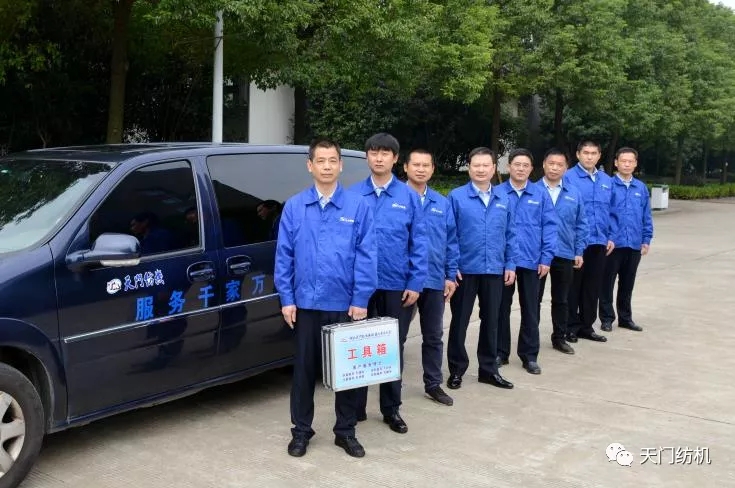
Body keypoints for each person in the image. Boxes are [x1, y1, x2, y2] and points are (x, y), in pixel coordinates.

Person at [274, 138, 377, 458]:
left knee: (347, 372)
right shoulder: (295, 206)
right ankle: (301, 431)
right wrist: (287, 299)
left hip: (345, 304)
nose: (327, 166)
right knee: (304, 372)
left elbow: (367, 256)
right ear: (310, 165)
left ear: (341, 165)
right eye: (321, 161)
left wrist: (361, 299)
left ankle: (345, 431)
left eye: (333, 160)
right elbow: (284, 257)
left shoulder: (358, 206)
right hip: (305, 304)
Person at [350, 133, 428, 434]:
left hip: (396, 284)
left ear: (396, 159)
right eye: (374, 152)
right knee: (358, 346)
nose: (379, 158)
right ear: (367, 157)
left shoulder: (408, 197)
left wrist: (416, 281)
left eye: (385, 153)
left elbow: (419, 242)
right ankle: (355, 406)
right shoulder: (353, 195)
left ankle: (391, 408)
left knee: (391, 347)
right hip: (361, 286)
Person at [446, 147, 516, 391]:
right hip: (465, 270)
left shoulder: (504, 198)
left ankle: (488, 370)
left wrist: (510, 263)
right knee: (460, 321)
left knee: (492, 321)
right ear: (469, 168)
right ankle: (456, 370)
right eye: (476, 165)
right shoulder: (456, 197)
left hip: (494, 269)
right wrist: (451, 266)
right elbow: (449, 235)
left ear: (494, 168)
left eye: (486, 165)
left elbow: (511, 233)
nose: (481, 169)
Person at [403, 148, 459, 406]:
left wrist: (450, 275)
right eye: (416, 164)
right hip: (403, 281)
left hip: (434, 278)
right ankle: (391, 386)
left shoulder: (441, 203)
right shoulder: (397, 198)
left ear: (433, 169)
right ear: (406, 167)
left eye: (426, 165)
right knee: (397, 336)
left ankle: (433, 384)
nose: (421, 169)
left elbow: (451, 242)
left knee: (434, 335)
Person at [496, 149, 557, 375]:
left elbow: (550, 227)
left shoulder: (540, 195)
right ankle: (500, 352)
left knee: (531, 309)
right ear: (509, 167)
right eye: (517, 164)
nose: (521, 169)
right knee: (500, 308)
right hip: (504, 262)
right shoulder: (497, 193)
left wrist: (546, 258)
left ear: (531, 169)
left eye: (525, 165)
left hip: (533, 261)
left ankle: (529, 355)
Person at [536, 148, 588, 355]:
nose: (555, 168)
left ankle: (559, 337)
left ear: (566, 168)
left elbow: (581, 224)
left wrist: (579, 250)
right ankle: (530, 339)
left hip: (565, 252)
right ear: (544, 165)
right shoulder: (532, 190)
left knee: (561, 299)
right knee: (533, 300)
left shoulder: (574, 193)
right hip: (538, 255)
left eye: (560, 165)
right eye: (551, 163)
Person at [563, 141, 614, 343]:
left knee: (593, 287)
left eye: (594, 153)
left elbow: (612, 211)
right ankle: (570, 327)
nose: (589, 156)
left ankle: (586, 326)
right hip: (576, 243)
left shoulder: (606, 180)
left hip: (599, 242)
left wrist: (611, 236)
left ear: (599, 155)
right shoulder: (568, 177)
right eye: (585, 152)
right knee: (573, 287)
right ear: (578, 154)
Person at [599, 147, 653, 332]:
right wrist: (607, 237)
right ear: (616, 163)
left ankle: (625, 318)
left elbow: (646, 215)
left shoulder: (641, 188)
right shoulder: (608, 185)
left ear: (636, 164)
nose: (627, 164)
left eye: (631, 161)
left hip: (634, 243)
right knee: (607, 283)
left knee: (627, 283)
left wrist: (646, 239)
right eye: (623, 161)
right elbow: (603, 214)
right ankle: (607, 318)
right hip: (613, 244)